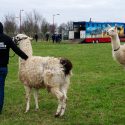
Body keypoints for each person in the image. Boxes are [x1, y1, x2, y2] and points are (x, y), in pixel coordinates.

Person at [0, 22, 28, 114]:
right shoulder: (7, 39)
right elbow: (17, 50)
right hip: (3, 68)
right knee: (1, 89)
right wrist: (27, 58)